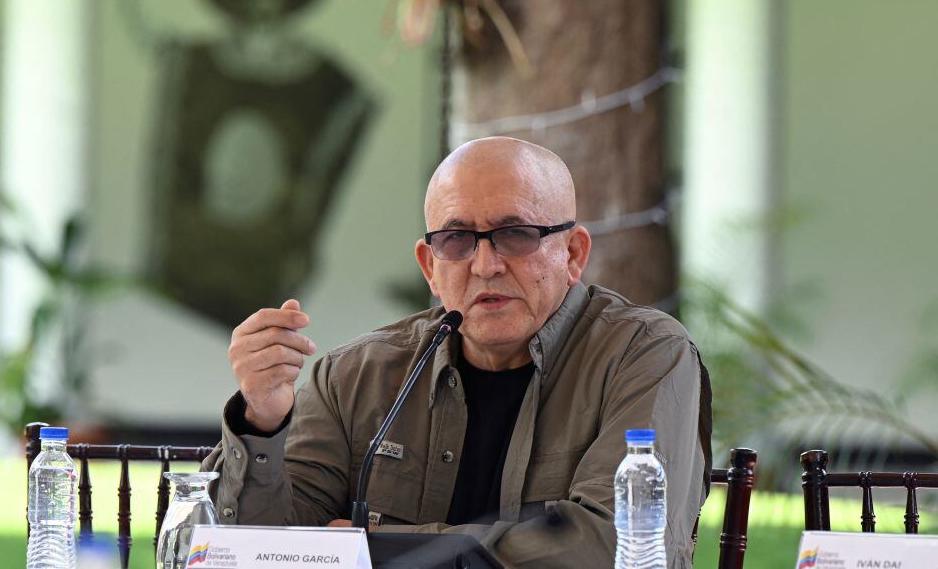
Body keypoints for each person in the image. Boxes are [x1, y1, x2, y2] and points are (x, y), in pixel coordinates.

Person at [202, 137, 712, 568]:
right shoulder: (354, 376)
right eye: (457, 239)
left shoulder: (642, 354)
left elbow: (615, 547)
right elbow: (259, 551)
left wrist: (381, 553)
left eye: (515, 235)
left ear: (573, 254)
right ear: (430, 265)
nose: (485, 264)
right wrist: (261, 423)